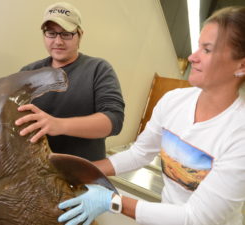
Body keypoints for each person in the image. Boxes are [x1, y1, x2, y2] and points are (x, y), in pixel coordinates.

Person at [57, 6, 245, 225]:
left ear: (241, 65)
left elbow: (196, 218)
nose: (192, 57)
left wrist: (113, 201)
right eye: (197, 47)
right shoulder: (174, 101)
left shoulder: (238, 133)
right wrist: (81, 172)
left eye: (207, 49)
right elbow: (139, 153)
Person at [14, 2, 125, 161]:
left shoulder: (98, 69)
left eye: (66, 34)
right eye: (51, 33)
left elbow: (114, 120)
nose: (58, 41)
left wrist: (58, 125)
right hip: (34, 169)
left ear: (80, 35)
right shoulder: (28, 71)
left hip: (80, 173)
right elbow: (13, 117)